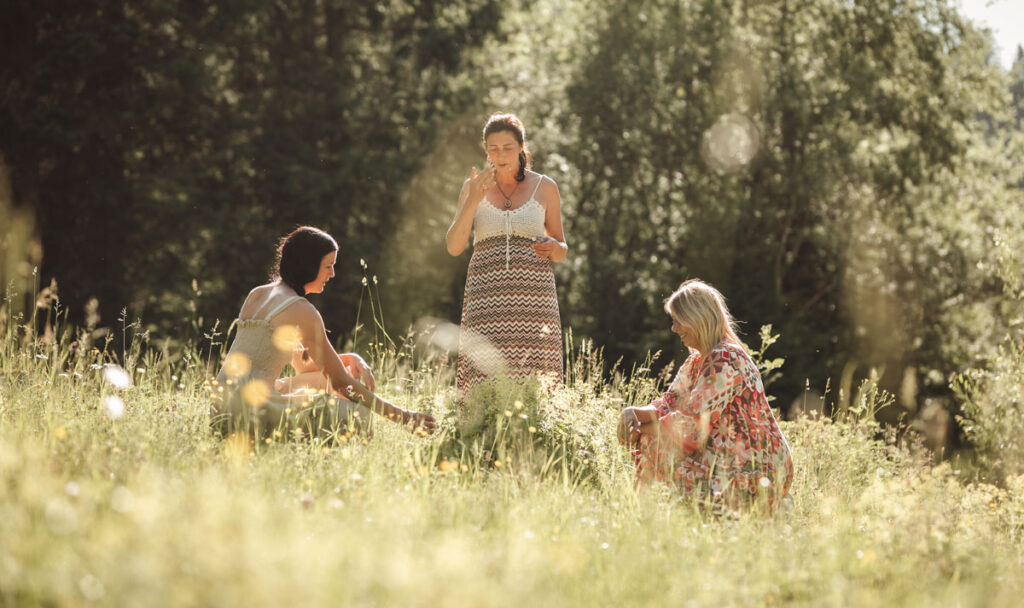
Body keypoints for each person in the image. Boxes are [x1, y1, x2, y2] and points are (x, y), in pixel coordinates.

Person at [211, 226, 436, 438]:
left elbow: (304, 367)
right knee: (360, 415)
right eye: (328, 266)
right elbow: (339, 381)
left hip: (220, 407)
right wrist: (403, 416)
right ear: (308, 265)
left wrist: (349, 358)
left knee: (334, 377)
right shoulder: (300, 309)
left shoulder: (258, 294)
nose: (333, 274)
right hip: (249, 410)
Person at [618, 279, 793, 512]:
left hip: (758, 466)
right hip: (726, 457)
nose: (674, 329)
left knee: (653, 442)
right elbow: (669, 403)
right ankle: (643, 514)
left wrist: (641, 430)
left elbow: (691, 428)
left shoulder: (725, 358)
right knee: (653, 441)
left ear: (696, 318)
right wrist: (633, 413)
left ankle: (643, 514)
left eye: (678, 321)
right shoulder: (697, 361)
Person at [445, 113, 567, 394]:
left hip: (535, 300)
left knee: (535, 379)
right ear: (485, 149)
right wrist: (474, 198)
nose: (500, 155)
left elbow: (561, 250)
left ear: (521, 146)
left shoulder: (545, 187)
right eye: (493, 148)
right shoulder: (472, 187)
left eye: (508, 148)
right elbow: (453, 247)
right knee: (484, 377)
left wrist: (554, 248)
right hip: (486, 299)